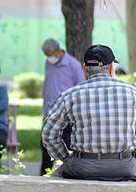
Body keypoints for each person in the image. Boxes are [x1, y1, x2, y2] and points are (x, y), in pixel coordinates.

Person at [42, 45, 136, 181]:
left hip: (81, 167)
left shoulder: (69, 95)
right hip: (125, 166)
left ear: (84, 69)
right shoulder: (132, 93)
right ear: (111, 68)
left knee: (56, 176)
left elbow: (48, 134)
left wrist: (65, 158)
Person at [40, 38, 85, 175]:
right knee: (45, 147)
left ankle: (65, 174)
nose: (49, 58)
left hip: (66, 116)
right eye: (47, 55)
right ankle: (44, 175)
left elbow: (81, 89)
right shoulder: (49, 63)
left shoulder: (74, 65)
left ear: (58, 51)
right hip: (48, 113)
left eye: (50, 54)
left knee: (63, 146)